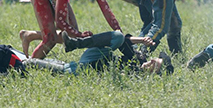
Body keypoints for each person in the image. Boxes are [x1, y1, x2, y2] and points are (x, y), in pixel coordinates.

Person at [21, 0, 121, 59]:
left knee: (72, 37)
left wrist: (119, 32)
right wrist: (81, 35)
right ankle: (30, 65)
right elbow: (60, 22)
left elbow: (107, 11)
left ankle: (30, 35)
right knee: (50, 39)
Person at [20, 30, 173, 74]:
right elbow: (123, 42)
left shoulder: (138, 78)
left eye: (155, 65)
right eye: (154, 60)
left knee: (59, 67)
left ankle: (24, 60)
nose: (151, 61)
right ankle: (74, 43)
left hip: (89, 69)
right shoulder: (139, 58)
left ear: (155, 73)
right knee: (118, 36)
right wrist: (141, 40)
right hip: (97, 54)